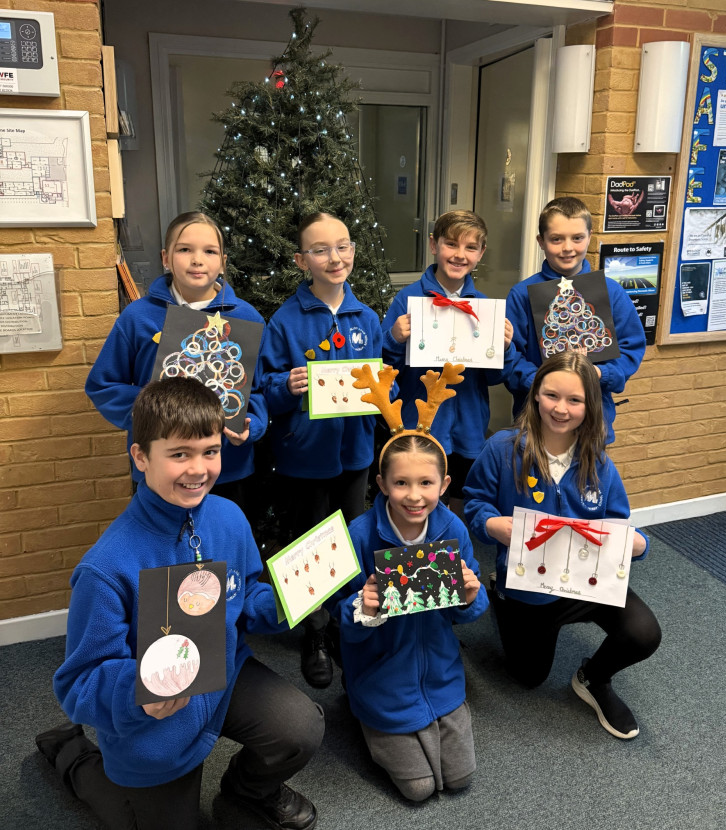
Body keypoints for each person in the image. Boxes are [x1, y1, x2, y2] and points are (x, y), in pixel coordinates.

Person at [36, 377, 323, 830]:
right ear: (141, 456)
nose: (199, 468)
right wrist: (141, 693)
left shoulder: (228, 516)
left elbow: (247, 596)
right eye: (179, 454)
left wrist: (288, 601)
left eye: (210, 451)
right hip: (153, 726)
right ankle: (71, 754)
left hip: (224, 678)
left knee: (301, 726)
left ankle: (247, 793)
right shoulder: (106, 568)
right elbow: (77, 684)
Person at [464, 353, 661, 740]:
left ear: (590, 406)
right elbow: (474, 502)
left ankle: (593, 678)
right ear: (535, 394)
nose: (561, 408)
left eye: (575, 400)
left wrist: (638, 543)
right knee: (529, 677)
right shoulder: (502, 449)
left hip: (587, 584)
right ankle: (499, 594)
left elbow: (618, 523)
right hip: (529, 587)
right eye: (552, 395)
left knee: (643, 633)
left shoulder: (599, 462)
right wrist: (491, 523)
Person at [331, 362, 488, 801]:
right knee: (419, 788)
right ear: (381, 483)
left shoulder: (452, 529)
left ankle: (430, 713)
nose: (414, 495)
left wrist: (471, 597)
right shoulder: (359, 535)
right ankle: (360, 708)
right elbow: (339, 614)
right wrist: (362, 607)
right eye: (401, 482)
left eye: (426, 482)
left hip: (440, 670)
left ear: (445, 483)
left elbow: (470, 608)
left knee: (459, 778)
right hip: (380, 674)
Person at [257, 211, 382, 689]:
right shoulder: (285, 320)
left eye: (343, 245)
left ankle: (346, 625)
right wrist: (284, 386)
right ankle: (314, 632)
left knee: (351, 540)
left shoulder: (366, 317)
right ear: (301, 259)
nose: (335, 257)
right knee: (308, 546)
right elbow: (263, 390)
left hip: (354, 456)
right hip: (303, 458)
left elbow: (377, 381)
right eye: (321, 249)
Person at [85, 211, 267, 519]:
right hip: (160, 468)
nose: (197, 260)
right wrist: (153, 410)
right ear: (166, 258)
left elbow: (257, 391)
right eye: (185, 249)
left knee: (222, 548)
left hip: (226, 469)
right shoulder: (138, 317)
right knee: (163, 553)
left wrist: (252, 425)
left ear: (222, 261)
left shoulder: (247, 318)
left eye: (209, 251)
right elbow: (102, 386)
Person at [381, 210, 517, 511]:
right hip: (422, 423)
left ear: (481, 253)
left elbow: (495, 378)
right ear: (434, 245)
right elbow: (387, 370)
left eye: (470, 247)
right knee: (420, 498)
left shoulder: (484, 306)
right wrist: (394, 338)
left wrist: (504, 348)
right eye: (451, 244)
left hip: (469, 425)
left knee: (459, 498)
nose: (459, 255)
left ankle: (452, 555)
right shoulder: (407, 300)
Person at [504, 197, 646, 444]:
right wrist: (540, 382)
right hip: (536, 424)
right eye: (556, 239)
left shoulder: (611, 292)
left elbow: (631, 349)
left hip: (592, 422)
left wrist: (601, 373)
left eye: (577, 238)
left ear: (589, 237)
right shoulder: (521, 294)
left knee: (588, 481)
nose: (567, 248)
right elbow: (509, 356)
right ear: (541, 241)